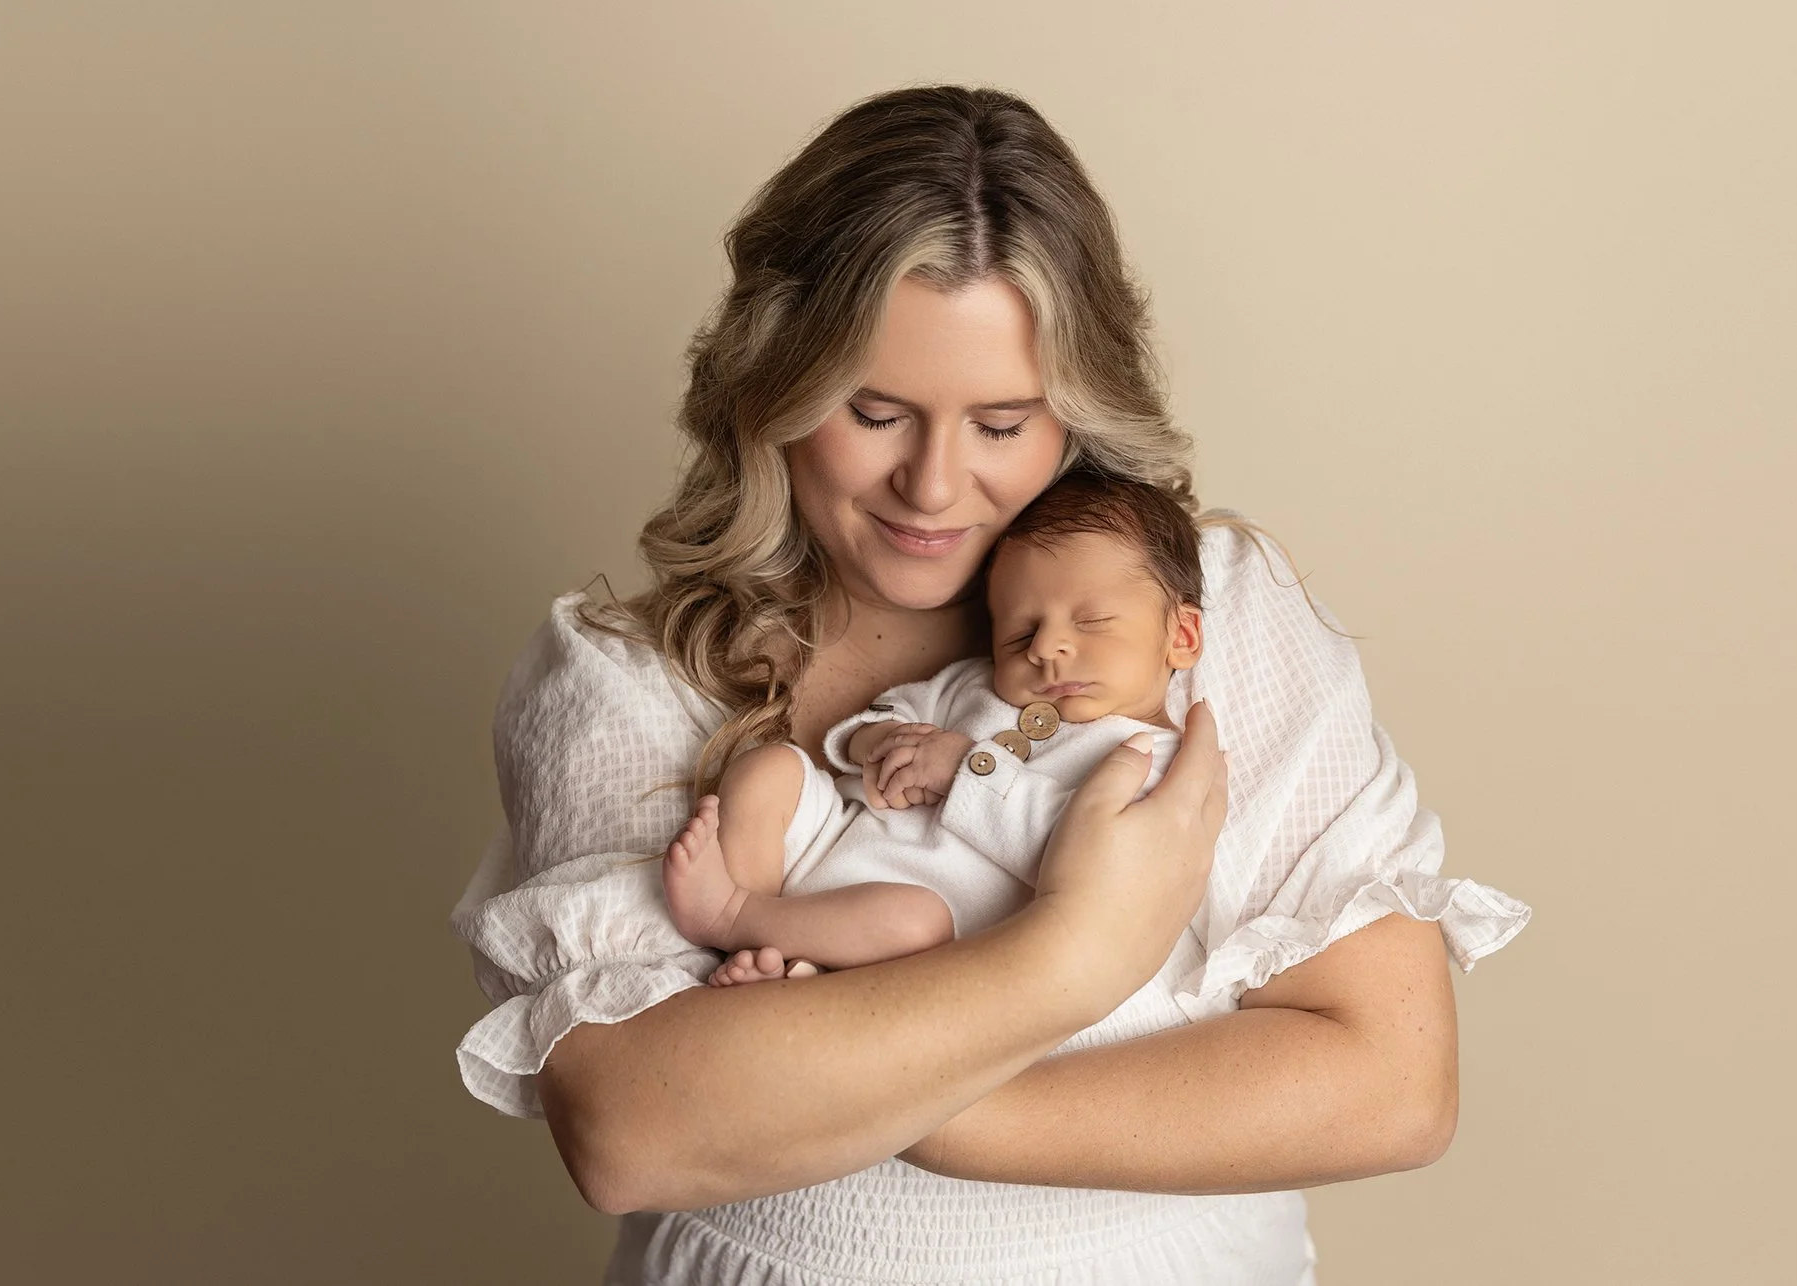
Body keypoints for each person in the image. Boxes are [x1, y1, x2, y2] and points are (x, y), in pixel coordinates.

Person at [451, 85, 1532, 1285]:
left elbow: (1387, 1082)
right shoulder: (628, 678)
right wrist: (1072, 951)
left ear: (1075, 416)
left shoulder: (1208, 616)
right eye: (875, 412)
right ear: (774, 390)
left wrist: (917, 1112)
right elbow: (630, 1130)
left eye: (1002, 423)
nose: (933, 484)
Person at [662, 469, 1211, 986]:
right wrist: (874, 739)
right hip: (832, 840)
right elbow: (893, 710)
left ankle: (733, 916)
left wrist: (963, 769)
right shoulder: (977, 684)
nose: (1045, 648)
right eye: (1020, 635)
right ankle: (764, 942)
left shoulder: (1154, 760)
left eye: (1090, 622)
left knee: (912, 920)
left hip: (923, 926)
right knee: (770, 768)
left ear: (1182, 636)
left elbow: (1082, 855)